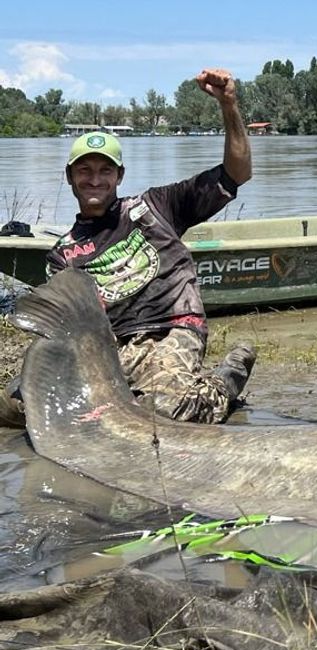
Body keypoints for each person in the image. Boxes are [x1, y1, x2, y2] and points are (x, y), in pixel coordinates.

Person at [0, 68, 255, 428]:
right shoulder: (62, 255)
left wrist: (229, 106)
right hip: (110, 348)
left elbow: (237, 173)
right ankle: (130, 395)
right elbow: (68, 327)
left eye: (105, 170)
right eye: (84, 170)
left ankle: (223, 383)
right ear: (69, 176)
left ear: (119, 176)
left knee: (165, 414)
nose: (95, 179)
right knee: (20, 410)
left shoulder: (157, 206)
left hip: (171, 329)